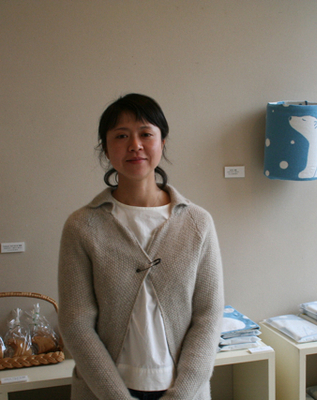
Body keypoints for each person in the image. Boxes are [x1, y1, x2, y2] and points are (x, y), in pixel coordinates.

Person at [58, 93, 224, 400]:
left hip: (184, 391)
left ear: (162, 142)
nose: (135, 145)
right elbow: (76, 324)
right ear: (105, 148)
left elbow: (209, 315)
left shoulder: (197, 223)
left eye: (146, 134)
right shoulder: (82, 226)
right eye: (121, 136)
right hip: (103, 391)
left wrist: (182, 394)